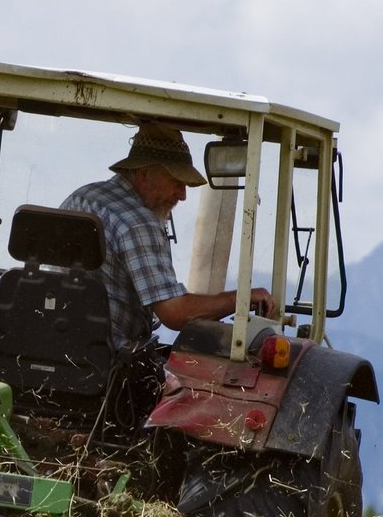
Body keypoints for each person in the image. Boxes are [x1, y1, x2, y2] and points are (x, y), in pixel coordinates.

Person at [60, 123, 280, 354]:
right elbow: (175, 313)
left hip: (54, 343)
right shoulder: (138, 222)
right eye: (177, 182)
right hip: (108, 357)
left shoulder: (81, 198)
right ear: (144, 174)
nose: (182, 195)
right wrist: (243, 298)